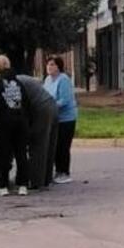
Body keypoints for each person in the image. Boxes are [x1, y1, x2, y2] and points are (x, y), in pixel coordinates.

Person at [0, 55, 30, 196]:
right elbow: (26, 102)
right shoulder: (18, 82)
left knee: (4, 155)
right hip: (20, 122)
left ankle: (3, 186)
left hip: (4, 124)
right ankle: (23, 185)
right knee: (21, 154)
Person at [16, 73, 58, 189]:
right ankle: (46, 179)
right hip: (51, 105)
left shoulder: (13, 84)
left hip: (41, 109)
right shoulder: (21, 78)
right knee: (48, 146)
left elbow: (22, 108)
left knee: (37, 145)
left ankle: (35, 181)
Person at [43, 55, 77, 184]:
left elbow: (64, 100)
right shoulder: (47, 80)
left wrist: (51, 106)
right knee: (55, 146)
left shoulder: (63, 79)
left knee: (63, 146)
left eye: (52, 64)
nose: (49, 67)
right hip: (53, 118)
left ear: (58, 66)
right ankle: (57, 171)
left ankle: (64, 172)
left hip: (66, 119)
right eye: (48, 64)